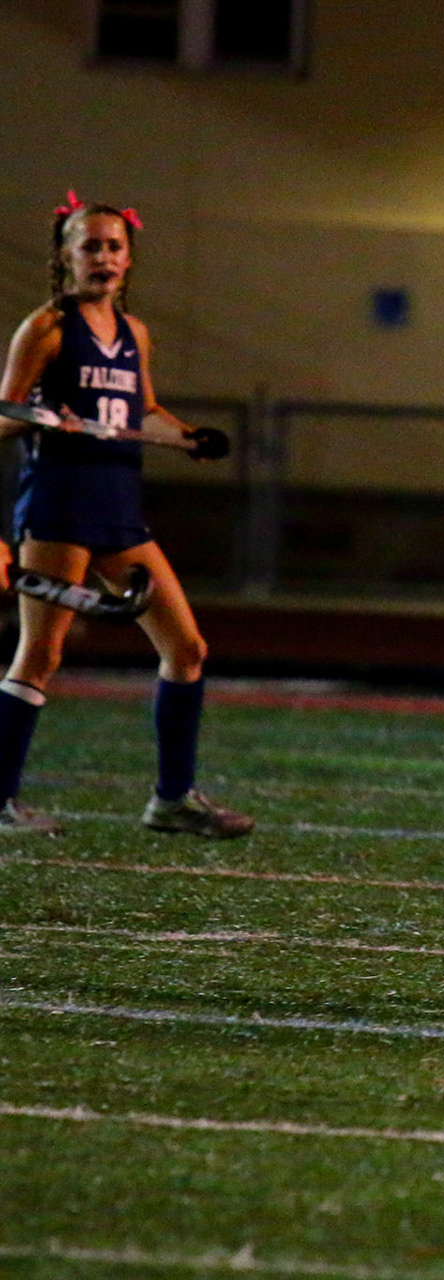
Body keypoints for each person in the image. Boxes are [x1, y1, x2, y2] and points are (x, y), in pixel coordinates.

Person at [0, 191, 252, 837]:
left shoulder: (135, 333)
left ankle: (172, 801)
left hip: (117, 509)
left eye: (114, 246)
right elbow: (4, 413)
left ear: (129, 258)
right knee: (40, 656)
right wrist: (41, 417)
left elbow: (142, 411)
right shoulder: (46, 328)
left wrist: (187, 437)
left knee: (186, 647)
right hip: (58, 507)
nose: (104, 257)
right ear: (66, 256)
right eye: (90, 246)